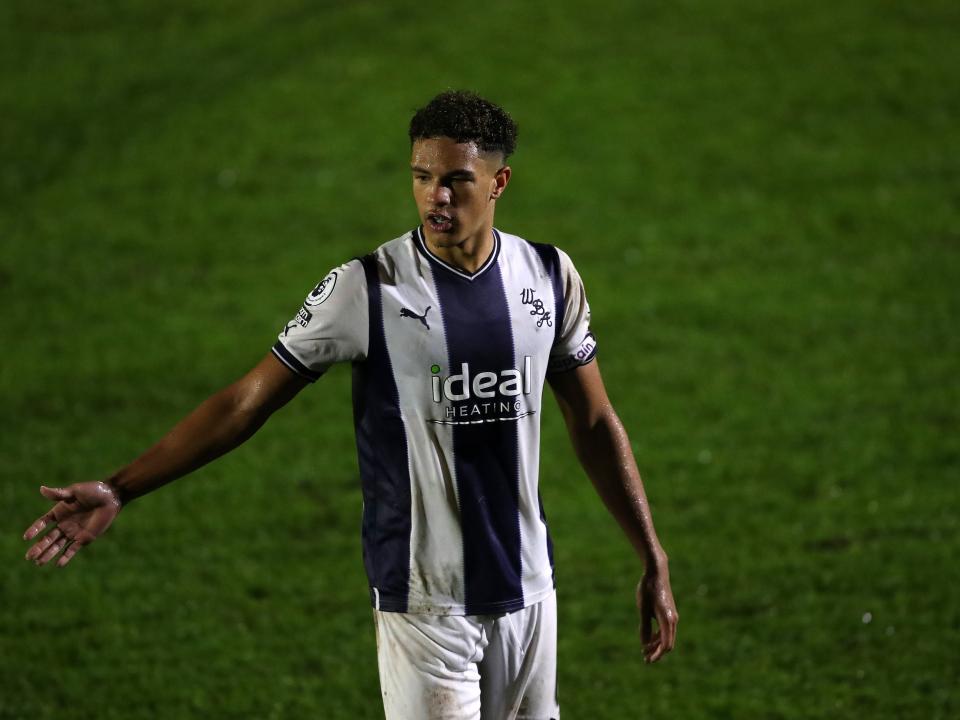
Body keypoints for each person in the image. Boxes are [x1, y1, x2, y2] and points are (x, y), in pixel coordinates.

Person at [23, 90, 677, 719]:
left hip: (531, 592)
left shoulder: (548, 275)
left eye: (456, 180)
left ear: (499, 183)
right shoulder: (366, 288)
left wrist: (651, 553)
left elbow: (593, 420)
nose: (435, 196)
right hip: (424, 605)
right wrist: (120, 486)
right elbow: (246, 402)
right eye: (422, 177)